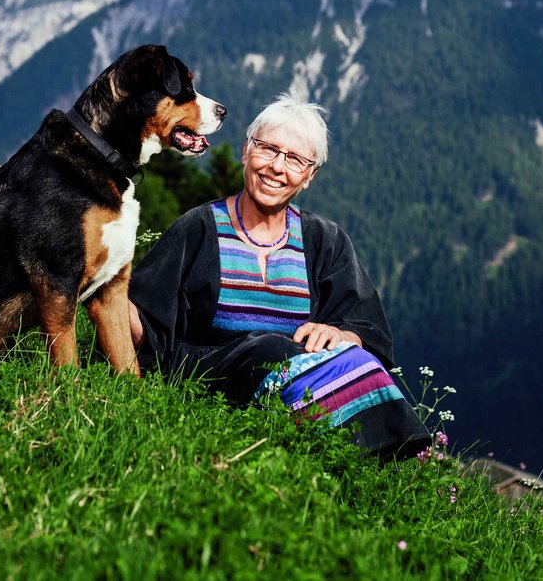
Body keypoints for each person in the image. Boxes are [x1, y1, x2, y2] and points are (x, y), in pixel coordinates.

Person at [128, 91, 430, 459]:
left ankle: (380, 457)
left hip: (297, 394)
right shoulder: (199, 229)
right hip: (209, 380)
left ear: (308, 176)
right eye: (267, 149)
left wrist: (341, 333)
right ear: (245, 152)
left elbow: (369, 331)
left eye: (295, 160)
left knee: (356, 360)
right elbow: (144, 319)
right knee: (267, 347)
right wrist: (100, 278)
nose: (276, 166)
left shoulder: (325, 240)